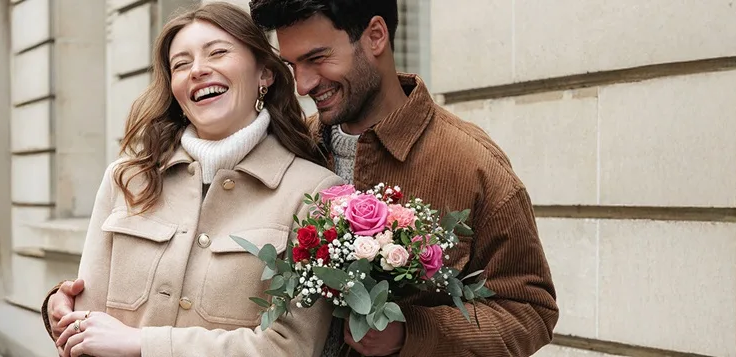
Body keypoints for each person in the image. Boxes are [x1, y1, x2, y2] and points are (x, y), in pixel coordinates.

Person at [245, 1, 559, 356]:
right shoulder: (293, 149)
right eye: (293, 65)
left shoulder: (471, 162)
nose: (303, 85)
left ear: (375, 36)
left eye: (317, 58)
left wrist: (412, 334)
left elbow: (531, 312)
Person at [41, 3, 343, 356]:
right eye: (181, 64)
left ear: (265, 73)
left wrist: (144, 344)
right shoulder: (125, 179)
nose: (198, 70)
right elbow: (85, 328)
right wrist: (63, 313)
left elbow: (290, 348)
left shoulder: (315, 194)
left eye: (218, 53)